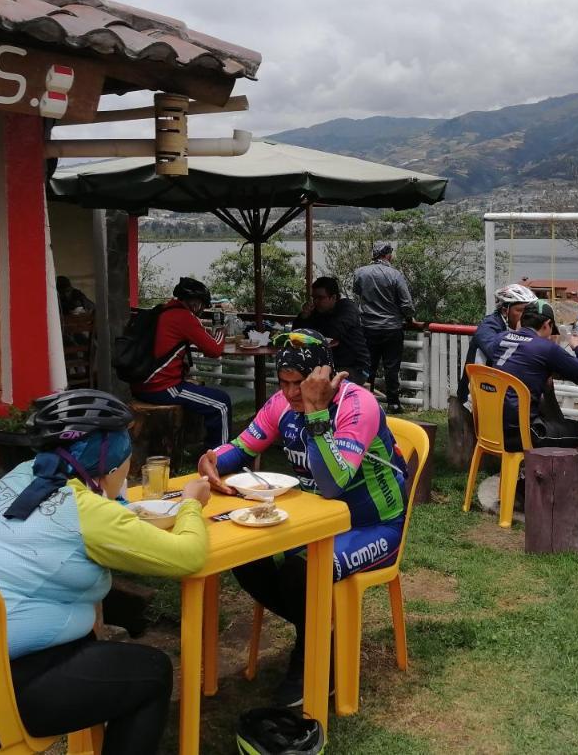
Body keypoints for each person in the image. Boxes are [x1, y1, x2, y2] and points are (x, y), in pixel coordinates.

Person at [0, 390, 211, 755]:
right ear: (113, 461)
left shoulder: (22, 476)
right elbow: (188, 556)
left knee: (89, 649)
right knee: (152, 672)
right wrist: (190, 504)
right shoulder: (88, 514)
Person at [197, 329, 407, 707]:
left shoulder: (358, 406)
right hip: (315, 524)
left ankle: (311, 657)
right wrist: (212, 459)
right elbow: (242, 448)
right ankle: (317, 637)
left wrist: (317, 412)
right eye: (284, 383)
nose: (292, 393)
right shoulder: (281, 403)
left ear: (322, 375)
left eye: (301, 383)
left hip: (374, 526)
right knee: (246, 557)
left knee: (301, 570)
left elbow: (332, 484)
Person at [488, 300, 578, 452]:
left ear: (522, 320)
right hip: (524, 434)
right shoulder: (546, 348)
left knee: (551, 418)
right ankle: (542, 473)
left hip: (489, 427)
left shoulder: (500, 338)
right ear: (547, 324)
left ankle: (521, 470)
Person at [131, 277, 231, 448]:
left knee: (204, 393)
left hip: (141, 384)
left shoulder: (163, 311)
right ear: (195, 303)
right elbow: (214, 350)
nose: (200, 311)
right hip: (161, 388)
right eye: (202, 306)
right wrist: (221, 330)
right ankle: (220, 458)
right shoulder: (183, 316)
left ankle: (199, 445)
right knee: (221, 403)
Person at [352, 242, 416, 414]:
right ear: (387, 255)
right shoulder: (395, 275)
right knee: (391, 367)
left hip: (367, 327)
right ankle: (393, 403)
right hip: (391, 328)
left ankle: (365, 401)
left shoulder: (360, 273)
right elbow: (406, 303)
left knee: (368, 366)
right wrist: (409, 317)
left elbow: (357, 292)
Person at [455, 283, 539, 405]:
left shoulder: (515, 326)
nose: (526, 316)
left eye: (529, 311)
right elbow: (496, 352)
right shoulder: (489, 326)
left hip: (499, 391)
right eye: (521, 310)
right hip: (475, 397)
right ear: (505, 310)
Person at [293, 276, 370, 386]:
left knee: (318, 386)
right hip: (327, 366)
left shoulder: (347, 309)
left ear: (333, 297)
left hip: (355, 367)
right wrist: (304, 316)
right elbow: (297, 333)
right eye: (314, 298)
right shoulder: (318, 311)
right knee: (294, 377)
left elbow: (333, 333)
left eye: (320, 298)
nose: (315, 302)